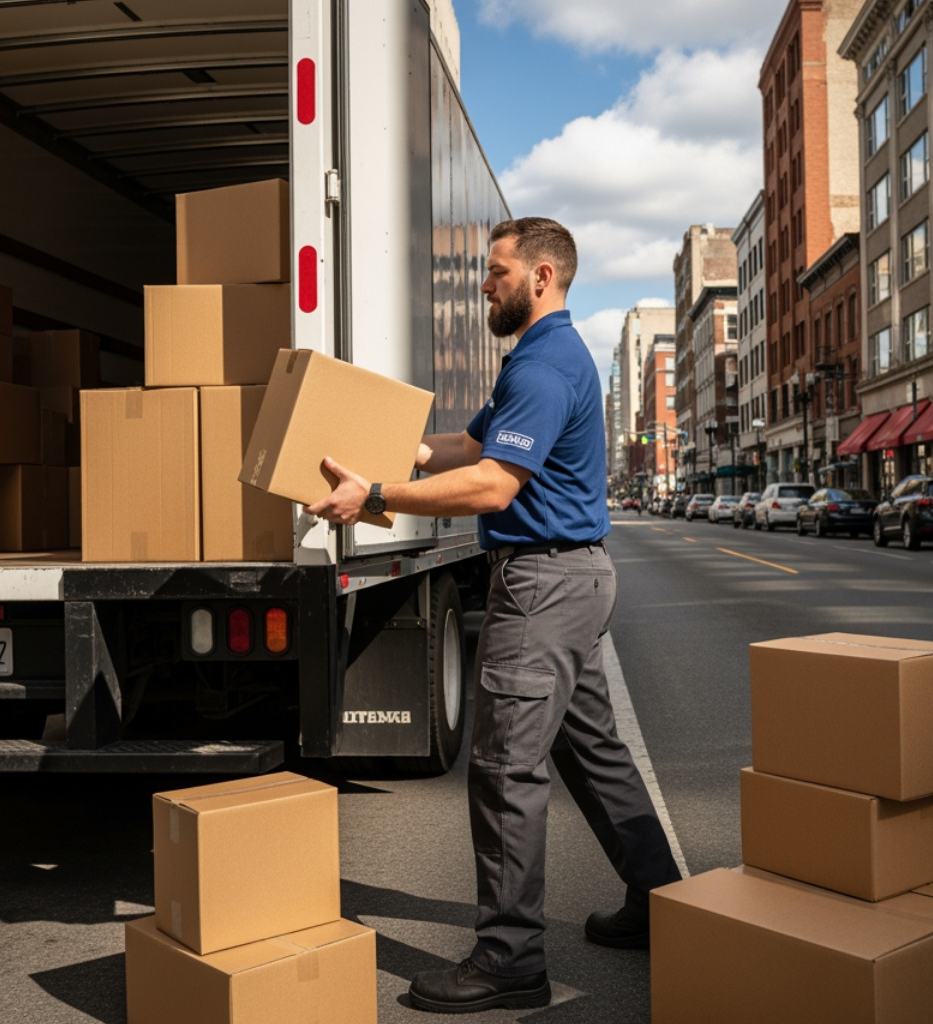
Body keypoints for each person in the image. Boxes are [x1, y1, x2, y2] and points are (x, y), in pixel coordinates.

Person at [307, 217, 683, 1014]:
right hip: (569, 580)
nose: (485, 284)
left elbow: (490, 485)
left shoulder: (546, 368)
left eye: (497, 272)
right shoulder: (537, 361)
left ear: (542, 277)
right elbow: (465, 447)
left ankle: (510, 957)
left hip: (543, 585)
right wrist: (384, 449)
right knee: (592, 752)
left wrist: (368, 499)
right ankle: (660, 896)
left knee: (507, 767)